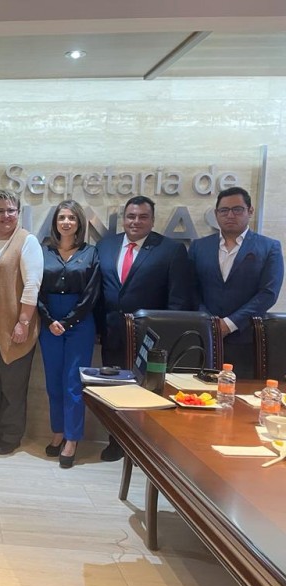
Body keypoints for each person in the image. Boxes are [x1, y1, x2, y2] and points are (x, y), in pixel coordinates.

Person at [95, 195, 193, 461]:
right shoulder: (105, 246)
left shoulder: (170, 250)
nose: (135, 221)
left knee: (147, 392)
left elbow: (178, 299)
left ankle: (145, 447)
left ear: (152, 219)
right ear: (124, 218)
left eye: (142, 217)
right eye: (131, 216)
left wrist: (167, 339)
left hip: (152, 339)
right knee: (114, 389)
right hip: (113, 334)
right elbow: (98, 292)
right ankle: (116, 442)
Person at [0, 189, 43, 455]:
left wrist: (23, 322)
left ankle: (12, 435)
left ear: (19, 212)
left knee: (12, 386)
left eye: (11, 210)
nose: (5, 216)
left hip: (13, 329)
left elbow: (32, 285)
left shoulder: (27, 241)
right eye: (0, 211)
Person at [189, 186, 284, 379]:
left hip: (245, 339)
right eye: (224, 210)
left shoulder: (269, 247)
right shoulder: (199, 246)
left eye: (237, 209)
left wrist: (229, 324)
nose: (230, 215)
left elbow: (268, 293)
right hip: (203, 338)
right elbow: (190, 289)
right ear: (216, 214)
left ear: (250, 211)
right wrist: (210, 322)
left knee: (239, 392)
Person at [38, 200, 100, 468]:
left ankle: (72, 439)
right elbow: (34, 288)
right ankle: (58, 432)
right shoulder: (43, 252)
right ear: (55, 222)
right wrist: (48, 319)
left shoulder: (91, 253)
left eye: (71, 218)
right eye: (61, 217)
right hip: (49, 323)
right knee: (53, 382)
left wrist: (68, 321)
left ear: (79, 223)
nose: (66, 222)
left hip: (80, 324)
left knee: (73, 384)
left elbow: (91, 294)